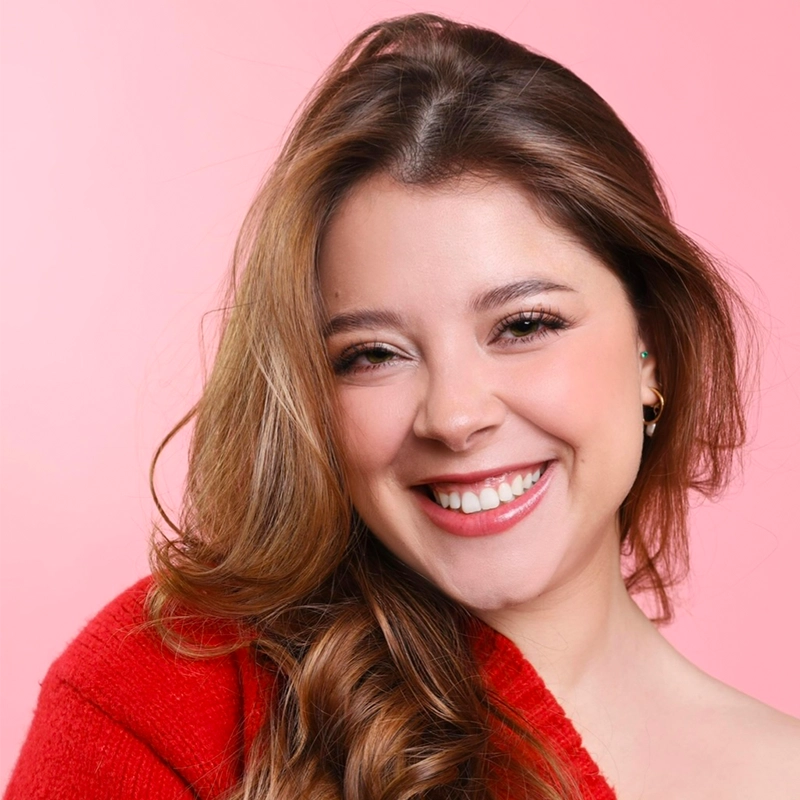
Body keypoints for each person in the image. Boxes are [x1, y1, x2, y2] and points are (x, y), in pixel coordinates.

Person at [5, 12, 800, 800]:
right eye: (373, 355)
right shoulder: (171, 690)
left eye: (524, 326)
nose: (454, 417)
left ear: (649, 352)